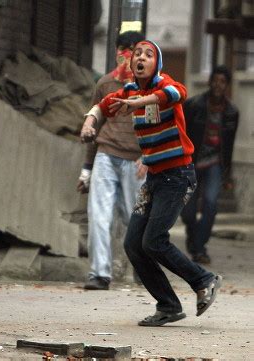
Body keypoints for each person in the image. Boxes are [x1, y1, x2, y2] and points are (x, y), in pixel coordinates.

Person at [81, 40, 221, 326]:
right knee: (134, 244)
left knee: (154, 241)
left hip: (178, 176)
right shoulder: (128, 90)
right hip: (155, 177)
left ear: (157, 63)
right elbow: (102, 106)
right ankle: (168, 305)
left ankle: (203, 279)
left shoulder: (165, 85)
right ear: (131, 64)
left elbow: (177, 93)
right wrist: (89, 122)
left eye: (148, 54)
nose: (141, 58)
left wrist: (141, 102)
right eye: (137, 55)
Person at [78, 31, 147, 291]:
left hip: (137, 162)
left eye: (135, 49)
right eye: (123, 48)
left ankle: (144, 269)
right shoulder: (106, 84)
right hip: (106, 155)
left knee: (135, 218)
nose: (128, 54)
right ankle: (99, 274)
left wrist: (150, 156)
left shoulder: (153, 87)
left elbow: (163, 126)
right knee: (98, 215)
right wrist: (86, 168)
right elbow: (94, 125)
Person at [180, 66, 239, 264]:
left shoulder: (232, 112)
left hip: (215, 164)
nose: (218, 85)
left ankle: (199, 248)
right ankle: (193, 235)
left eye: (223, 81)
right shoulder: (194, 105)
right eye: (215, 80)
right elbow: (183, 134)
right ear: (210, 81)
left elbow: (228, 146)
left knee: (211, 204)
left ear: (227, 86)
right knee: (187, 211)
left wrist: (227, 175)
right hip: (192, 162)